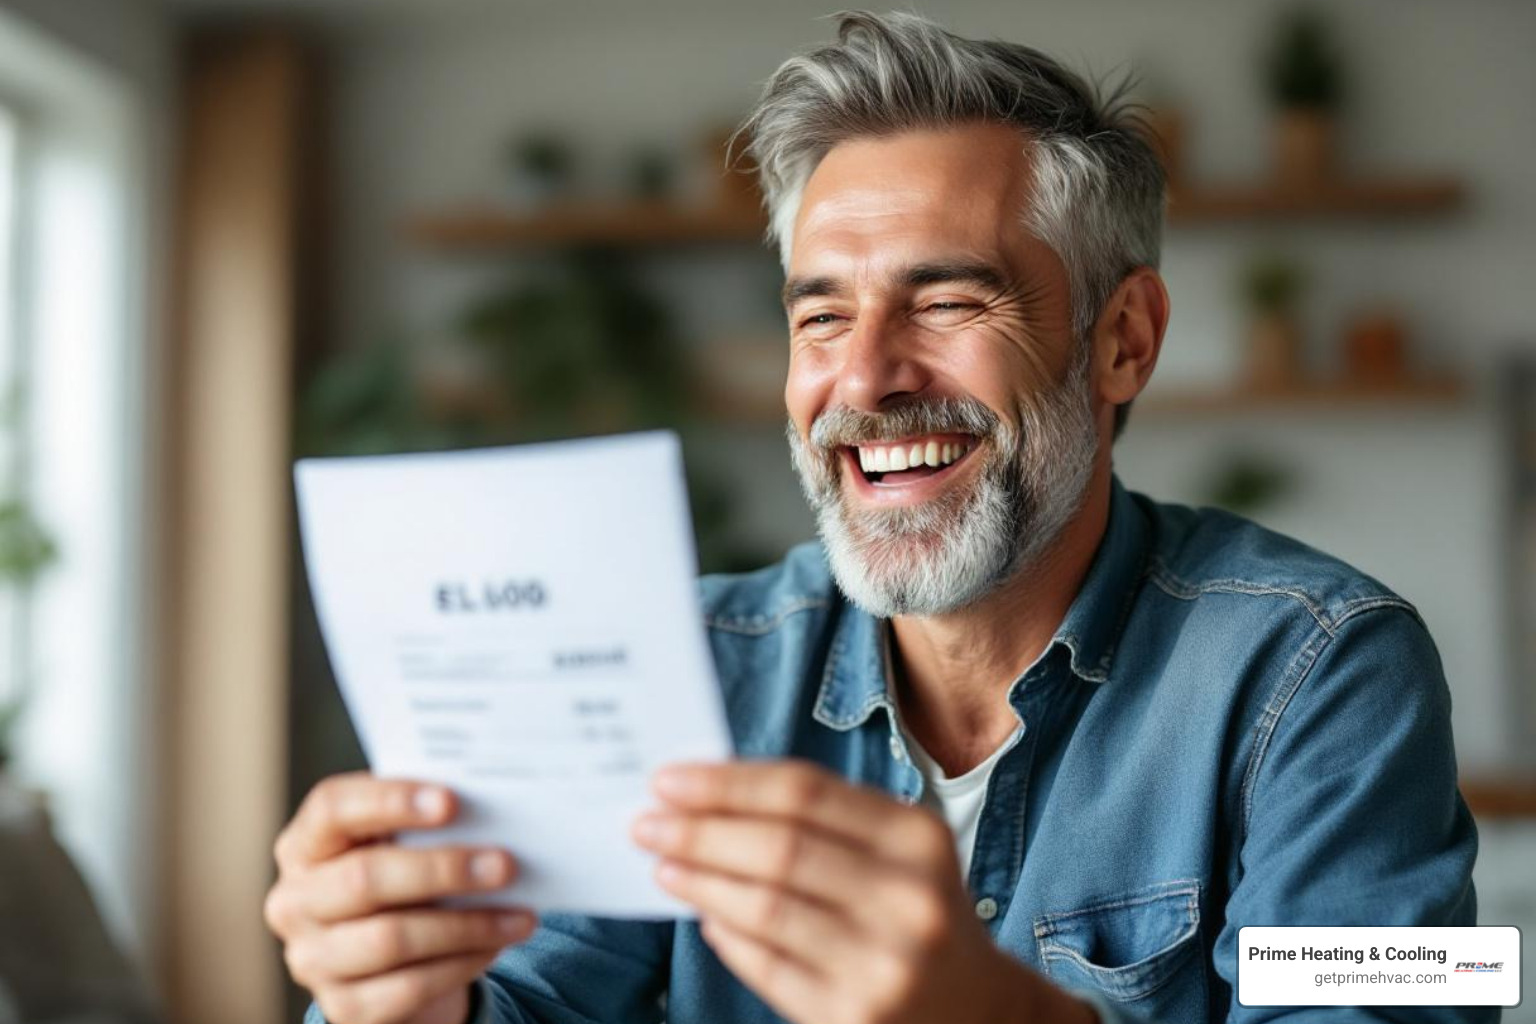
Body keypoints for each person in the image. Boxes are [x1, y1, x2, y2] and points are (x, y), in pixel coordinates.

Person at [264, 12, 1486, 1024]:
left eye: (947, 300)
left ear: (1125, 340)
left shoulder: (1328, 669)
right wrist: (407, 998)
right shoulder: (676, 672)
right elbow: (534, 997)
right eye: (820, 317)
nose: (863, 381)